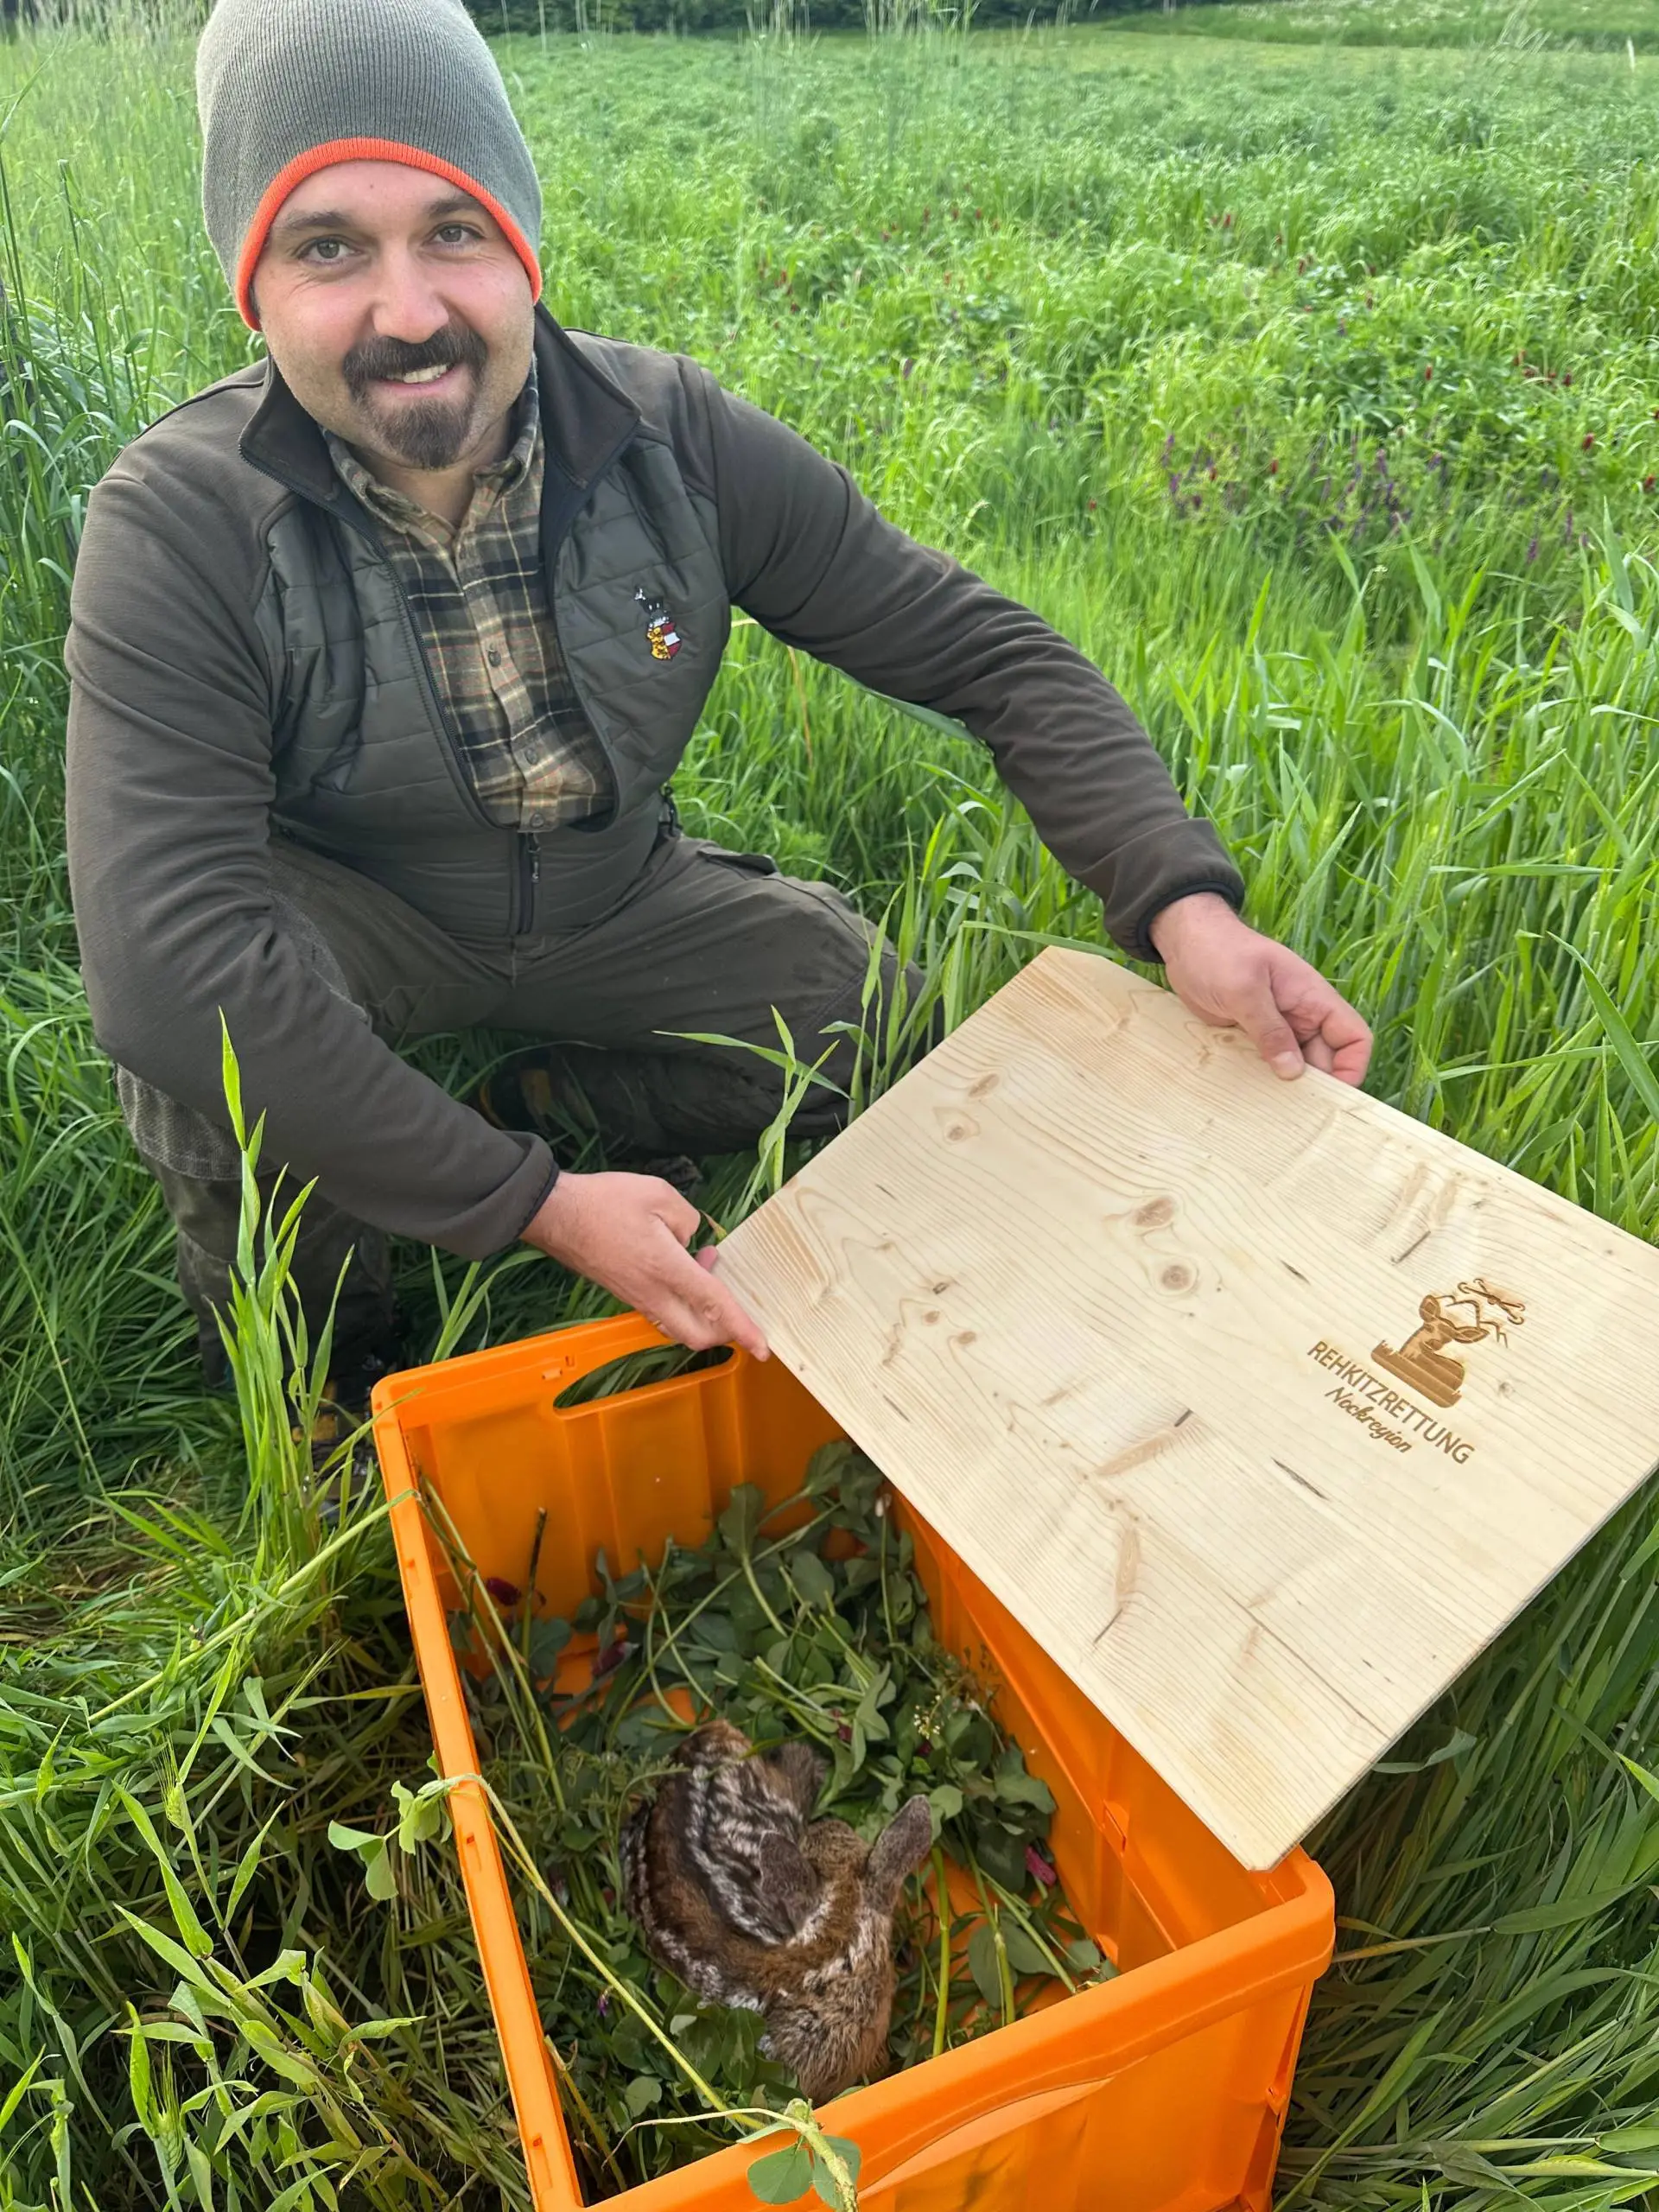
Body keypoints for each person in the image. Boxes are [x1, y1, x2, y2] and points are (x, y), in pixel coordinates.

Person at [64, 0, 1371, 1414]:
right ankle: (325, 1370)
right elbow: (166, 956)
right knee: (211, 1059)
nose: (410, 312)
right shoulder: (182, 515)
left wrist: (1187, 908)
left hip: (610, 895)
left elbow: (985, 653)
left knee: (876, 1021)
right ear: (251, 288)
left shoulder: (668, 438)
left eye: (455, 231)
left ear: (522, 245)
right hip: (356, 913)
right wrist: (533, 1209)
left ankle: (544, 1099)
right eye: (329, 248)